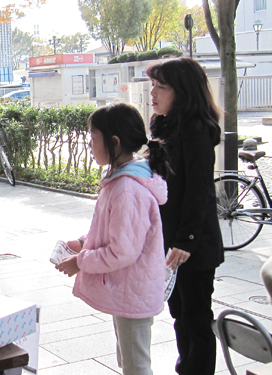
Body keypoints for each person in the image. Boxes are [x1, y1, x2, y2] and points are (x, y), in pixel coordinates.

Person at [56, 103, 170, 375]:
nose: (90, 144)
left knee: (136, 366)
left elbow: (122, 251)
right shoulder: (123, 178)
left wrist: (80, 262)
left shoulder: (127, 188)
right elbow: (115, 230)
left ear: (114, 141)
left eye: (93, 137)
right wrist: (84, 243)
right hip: (129, 288)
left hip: (133, 289)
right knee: (130, 360)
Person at [147, 57, 224, 375]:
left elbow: (199, 190)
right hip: (172, 240)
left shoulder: (195, 130)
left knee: (196, 318)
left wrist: (186, 240)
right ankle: (185, 367)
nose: (153, 92)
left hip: (192, 244)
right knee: (179, 313)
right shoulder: (165, 126)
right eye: (152, 84)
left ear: (182, 92)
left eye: (161, 86)